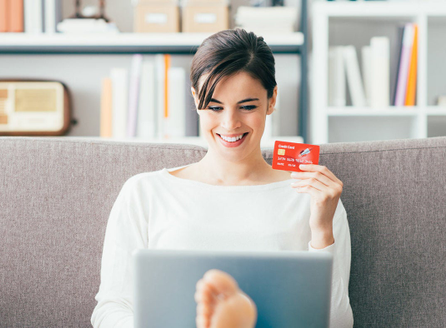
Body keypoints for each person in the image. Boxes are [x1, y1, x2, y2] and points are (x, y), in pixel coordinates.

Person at [91, 28, 353, 328]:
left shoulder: (313, 196)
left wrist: (321, 230)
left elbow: (338, 324)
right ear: (195, 99)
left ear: (271, 100)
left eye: (247, 106)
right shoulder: (145, 192)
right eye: (215, 107)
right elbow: (110, 310)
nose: (230, 124)